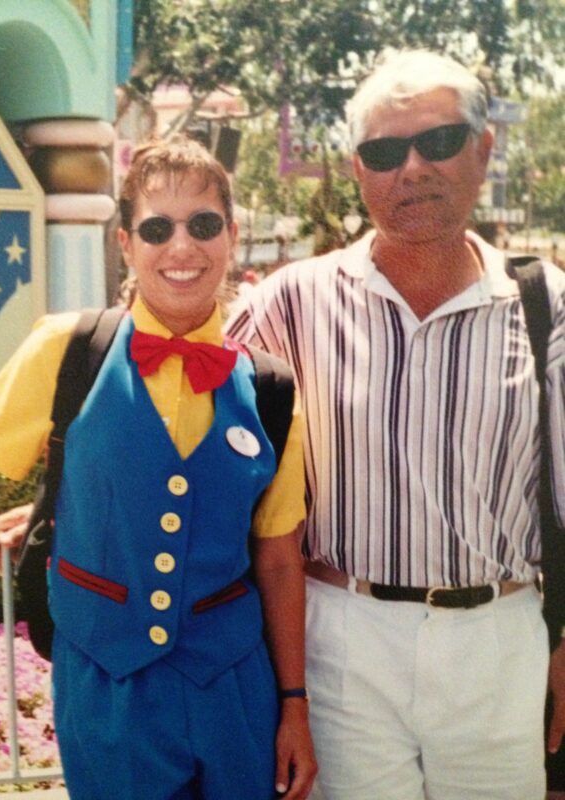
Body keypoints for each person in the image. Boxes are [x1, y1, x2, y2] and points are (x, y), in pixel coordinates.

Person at [226, 50, 565, 799]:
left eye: (438, 142)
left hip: (497, 640)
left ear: (484, 149)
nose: (411, 169)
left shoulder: (549, 310)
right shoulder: (287, 305)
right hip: (342, 639)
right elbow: (172, 408)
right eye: (384, 152)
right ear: (357, 171)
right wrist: (73, 495)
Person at [0, 135, 317, 800]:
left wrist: (294, 702)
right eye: (157, 227)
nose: (182, 247)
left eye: (204, 224)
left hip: (233, 687)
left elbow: (277, 559)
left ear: (232, 236)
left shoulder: (270, 390)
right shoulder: (65, 353)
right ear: (126, 243)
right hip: (108, 685)